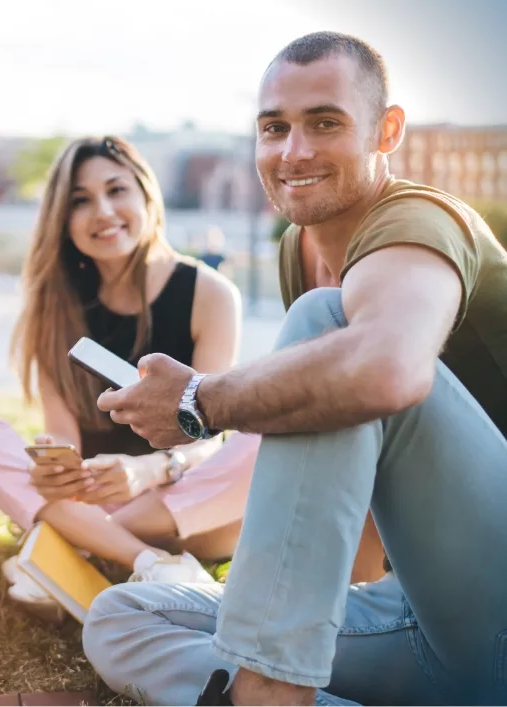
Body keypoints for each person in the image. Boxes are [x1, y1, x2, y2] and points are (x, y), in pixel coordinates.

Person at [82, 32, 507, 706]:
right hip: (420, 617)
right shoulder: (299, 248)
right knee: (123, 619)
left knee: (326, 324)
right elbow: (347, 466)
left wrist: (197, 398)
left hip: (493, 605)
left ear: (386, 130)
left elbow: (385, 369)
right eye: (273, 127)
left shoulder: (419, 223)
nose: (294, 151)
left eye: (325, 123)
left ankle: (270, 689)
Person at [0, 135, 262, 623]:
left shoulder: (210, 294)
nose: (103, 211)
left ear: (145, 195)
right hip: (92, 500)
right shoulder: (53, 305)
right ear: (62, 219)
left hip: (182, 503)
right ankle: (147, 562)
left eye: (116, 190)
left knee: (263, 435)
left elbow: (210, 436)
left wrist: (152, 470)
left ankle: (67, 548)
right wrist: (57, 466)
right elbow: (62, 437)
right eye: (80, 200)